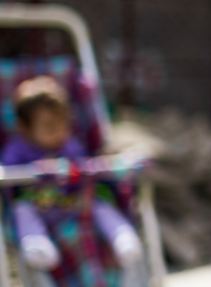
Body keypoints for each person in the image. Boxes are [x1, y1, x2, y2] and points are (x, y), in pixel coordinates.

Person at [3, 76, 143, 272]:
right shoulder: (17, 149)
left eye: (64, 125)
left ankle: (122, 237)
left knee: (98, 204)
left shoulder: (70, 145)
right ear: (25, 129)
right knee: (21, 211)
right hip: (38, 205)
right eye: (50, 127)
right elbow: (7, 172)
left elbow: (83, 166)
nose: (60, 132)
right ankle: (37, 246)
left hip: (71, 204)